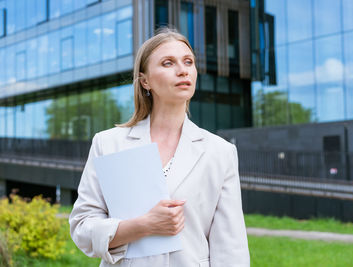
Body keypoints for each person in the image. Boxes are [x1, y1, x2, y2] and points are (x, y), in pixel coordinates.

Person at [69, 27, 250, 267]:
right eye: (168, 63)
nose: (182, 70)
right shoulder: (108, 143)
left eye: (188, 62)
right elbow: (82, 225)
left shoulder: (220, 152)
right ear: (145, 80)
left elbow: (231, 247)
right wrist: (142, 226)